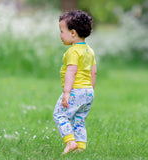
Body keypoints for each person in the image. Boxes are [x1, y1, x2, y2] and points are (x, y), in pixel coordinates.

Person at [53, 10, 97, 154]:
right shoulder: (89, 51)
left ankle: (70, 142)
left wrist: (67, 93)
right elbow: (93, 72)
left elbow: (71, 72)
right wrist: (91, 91)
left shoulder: (73, 51)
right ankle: (80, 148)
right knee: (79, 119)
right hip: (88, 91)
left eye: (62, 31)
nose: (60, 35)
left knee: (60, 114)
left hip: (75, 90)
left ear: (73, 33)